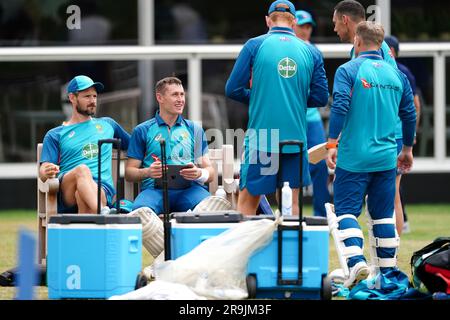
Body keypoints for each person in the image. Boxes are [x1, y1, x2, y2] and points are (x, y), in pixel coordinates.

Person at [326, 21, 416, 288]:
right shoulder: (396, 74)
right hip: (387, 157)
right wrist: (408, 149)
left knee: (346, 212)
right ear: (382, 45)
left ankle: (356, 265)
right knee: (383, 215)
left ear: (357, 41)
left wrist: (332, 143)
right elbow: (409, 113)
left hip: (354, 157)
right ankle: (387, 274)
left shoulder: (348, 69)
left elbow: (340, 104)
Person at [225, 0, 329, 215]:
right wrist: (294, 100)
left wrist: (260, 97)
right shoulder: (311, 52)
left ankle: (248, 249)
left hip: (263, 138)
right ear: (293, 22)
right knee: (291, 204)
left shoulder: (254, 45)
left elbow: (233, 88)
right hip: (296, 139)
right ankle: (291, 249)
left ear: (267, 20)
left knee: (248, 201)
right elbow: (320, 97)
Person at [332, 0, 415, 236]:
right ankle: (386, 261)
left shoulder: (365, 58)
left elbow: (384, 93)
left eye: (335, 22)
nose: (335, 29)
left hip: (385, 135)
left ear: (345, 20)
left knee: (388, 201)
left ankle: (388, 258)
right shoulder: (374, 50)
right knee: (384, 203)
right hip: (386, 135)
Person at [39, 75, 130, 214]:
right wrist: (46, 171)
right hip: (68, 190)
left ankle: (96, 217)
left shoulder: (108, 125)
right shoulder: (55, 134)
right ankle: (103, 212)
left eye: (94, 96)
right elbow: (43, 170)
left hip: (102, 189)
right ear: (72, 98)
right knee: (82, 170)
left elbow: (135, 147)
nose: (93, 101)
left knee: (82, 196)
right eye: (87, 96)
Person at [125, 76, 214, 213]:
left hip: (190, 190)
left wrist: (199, 173)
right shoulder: (142, 130)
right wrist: (148, 171)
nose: (180, 100)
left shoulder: (194, 129)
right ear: (160, 98)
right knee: (140, 211)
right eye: (175, 95)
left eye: (182, 94)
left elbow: (210, 171)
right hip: (154, 191)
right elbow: (129, 172)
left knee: (210, 209)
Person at [294, 10, 331, 217]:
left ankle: (322, 215)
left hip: (311, 117)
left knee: (320, 165)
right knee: (288, 164)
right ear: (293, 26)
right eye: (302, 26)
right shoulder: (286, 50)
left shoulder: (314, 51)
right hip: (291, 118)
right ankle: (289, 213)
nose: (306, 30)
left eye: (309, 26)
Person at [385, 35, 422, 234]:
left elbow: (415, 106)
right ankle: (394, 242)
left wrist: (410, 133)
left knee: (392, 193)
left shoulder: (395, 72)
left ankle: (393, 241)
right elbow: (415, 106)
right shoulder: (403, 72)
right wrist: (411, 133)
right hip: (398, 137)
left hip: (391, 137)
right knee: (394, 193)